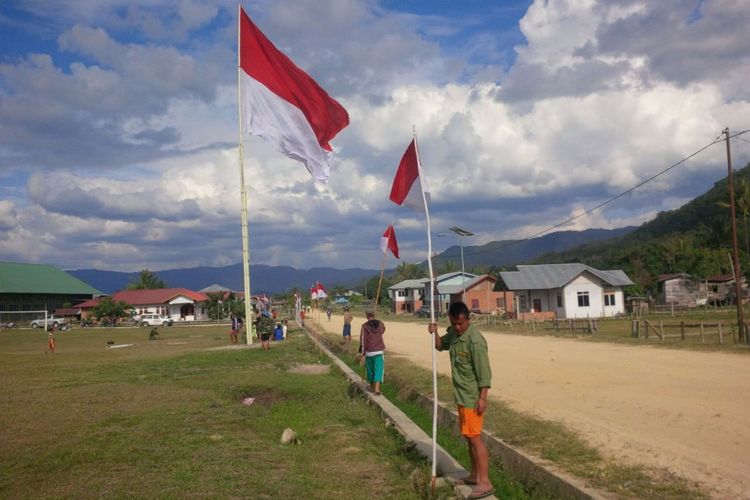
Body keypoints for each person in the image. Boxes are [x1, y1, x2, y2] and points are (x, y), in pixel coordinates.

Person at [428, 301, 493, 499]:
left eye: (460, 324)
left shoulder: (475, 341)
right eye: (454, 323)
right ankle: (474, 475)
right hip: (461, 395)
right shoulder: (455, 336)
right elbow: (440, 346)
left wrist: (483, 398)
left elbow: (484, 373)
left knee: (475, 438)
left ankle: (485, 482)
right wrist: (434, 333)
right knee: (468, 438)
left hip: (472, 398)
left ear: (468, 320)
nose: (457, 327)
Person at [360, 311, 385, 395]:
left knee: (370, 370)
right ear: (374, 315)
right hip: (378, 351)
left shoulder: (364, 326)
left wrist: (362, 354)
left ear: (367, 316)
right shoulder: (380, 324)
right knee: (378, 369)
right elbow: (383, 330)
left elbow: (363, 341)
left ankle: (371, 387)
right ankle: (377, 389)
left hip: (369, 352)